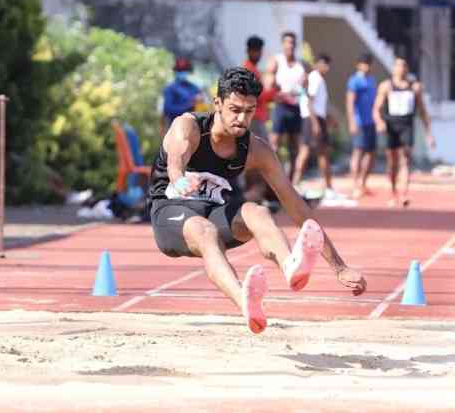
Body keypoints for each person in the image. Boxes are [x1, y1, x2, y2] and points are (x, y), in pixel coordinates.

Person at [148, 67, 367, 334]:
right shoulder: (188, 127)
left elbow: (295, 204)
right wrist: (179, 181)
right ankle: (244, 301)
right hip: (172, 212)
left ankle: (290, 266)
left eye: (249, 111)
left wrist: (339, 267)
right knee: (204, 232)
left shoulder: (256, 149)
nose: (241, 119)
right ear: (217, 103)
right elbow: (176, 161)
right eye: (234, 109)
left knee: (258, 212)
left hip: (215, 213)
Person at [372, 57, 435, 207]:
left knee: (405, 159)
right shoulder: (386, 86)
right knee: (392, 162)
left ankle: (404, 193)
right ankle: (393, 192)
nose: (401, 69)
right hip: (391, 126)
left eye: (404, 66)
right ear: (393, 69)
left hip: (407, 125)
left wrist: (429, 134)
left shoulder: (415, 88)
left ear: (407, 69)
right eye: (398, 66)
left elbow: (423, 111)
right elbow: (376, 109)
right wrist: (379, 122)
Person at [293, 54, 338, 199]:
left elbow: (318, 104)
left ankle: (328, 187)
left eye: (329, 64)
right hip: (312, 119)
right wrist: (315, 123)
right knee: (309, 151)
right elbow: (309, 102)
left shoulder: (317, 79)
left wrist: (328, 119)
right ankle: (296, 184)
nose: (328, 68)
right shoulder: (315, 78)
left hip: (316, 118)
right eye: (325, 64)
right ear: (318, 64)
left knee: (320, 152)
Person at [242, 35, 278, 202]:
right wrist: (273, 92)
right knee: (262, 155)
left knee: (257, 155)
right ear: (251, 51)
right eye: (257, 51)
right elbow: (256, 95)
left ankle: (259, 191)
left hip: (257, 117)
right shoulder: (249, 70)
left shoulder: (252, 69)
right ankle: (256, 191)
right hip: (254, 118)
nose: (259, 54)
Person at [267, 31, 306, 180]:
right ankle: (273, 176)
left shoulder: (301, 63)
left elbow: (307, 82)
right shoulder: (277, 60)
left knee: (294, 147)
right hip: (281, 106)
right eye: (287, 42)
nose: (290, 45)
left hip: (296, 107)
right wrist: (278, 92)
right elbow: (268, 82)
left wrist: (304, 84)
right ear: (283, 44)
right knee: (274, 144)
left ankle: (290, 180)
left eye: (293, 42)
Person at [346, 54, 378, 199]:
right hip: (359, 121)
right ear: (358, 64)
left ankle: (363, 183)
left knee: (371, 153)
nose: (366, 66)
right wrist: (352, 121)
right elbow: (350, 102)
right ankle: (354, 185)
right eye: (364, 63)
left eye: (368, 63)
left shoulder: (372, 80)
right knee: (358, 152)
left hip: (371, 121)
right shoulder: (354, 81)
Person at [161, 57, 202, 135]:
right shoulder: (170, 88)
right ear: (175, 72)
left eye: (185, 71)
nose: (183, 73)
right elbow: (168, 109)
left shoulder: (195, 88)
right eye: (180, 71)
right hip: (176, 128)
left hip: (195, 127)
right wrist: (190, 105)